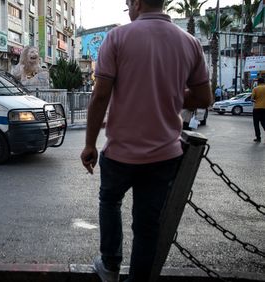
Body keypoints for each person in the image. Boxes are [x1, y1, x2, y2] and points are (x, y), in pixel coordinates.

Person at [80, 0, 212, 281]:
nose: (128, 9)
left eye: (128, 3)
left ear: (137, 3)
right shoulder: (189, 42)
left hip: (119, 153)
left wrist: (90, 143)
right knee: (147, 223)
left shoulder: (117, 37)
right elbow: (204, 98)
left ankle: (110, 265)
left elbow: (100, 95)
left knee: (110, 201)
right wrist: (173, 95)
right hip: (164, 155)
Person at [251, 77, 265, 143]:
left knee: (256, 124)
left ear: (258, 82)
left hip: (257, 108)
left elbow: (252, 99)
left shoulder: (255, 89)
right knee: (264, 123)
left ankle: (258, 138)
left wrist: (256, 100)